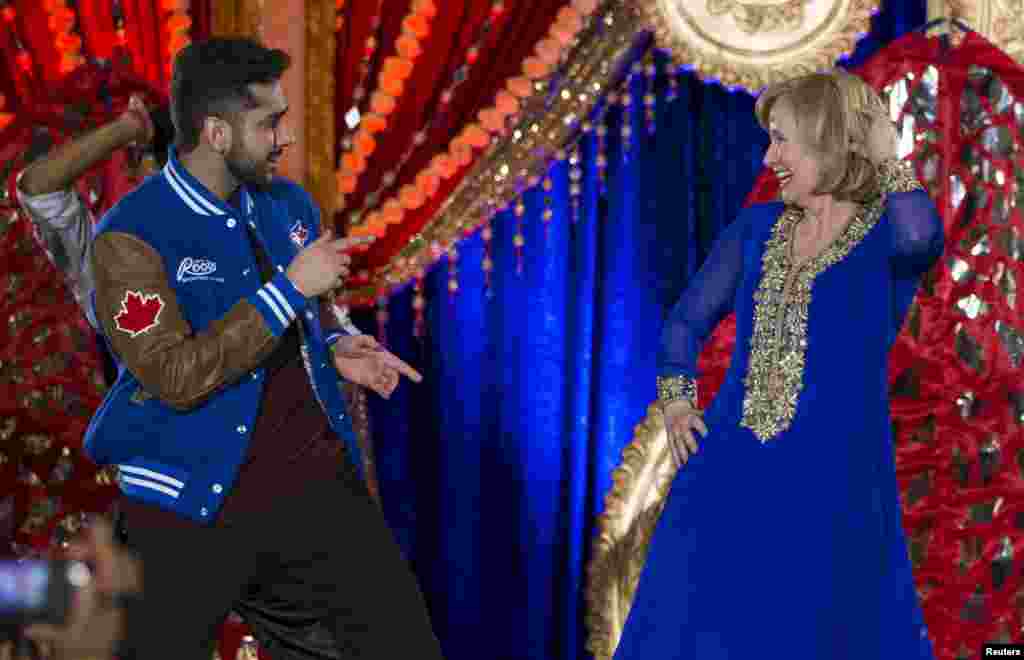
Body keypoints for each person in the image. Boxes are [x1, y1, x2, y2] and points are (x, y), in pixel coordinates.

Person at [15, 83, 405, 659]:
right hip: (166, 488)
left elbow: (314, 322)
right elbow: (36, 188)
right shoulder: (116, 250)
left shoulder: (258, 233)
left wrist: (342, 347)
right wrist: (127, 128)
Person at [614, 70, 943, 659]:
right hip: (727, 472)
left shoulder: (887, 238)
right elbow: (685, 324)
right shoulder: (754, 230)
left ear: (830, 138)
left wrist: (887, 154)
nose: (770, 158)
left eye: (783, 139)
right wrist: (678, 397)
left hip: (833, 481)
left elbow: (923, 238)